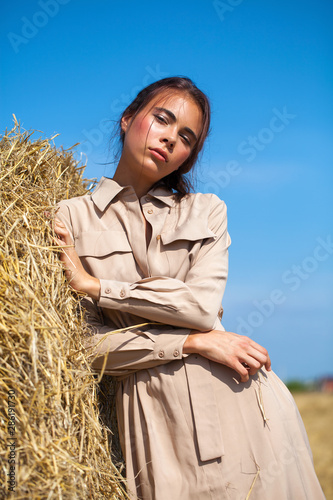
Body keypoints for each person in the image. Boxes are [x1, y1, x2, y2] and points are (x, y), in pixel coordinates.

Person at [54, 77, 325, 500]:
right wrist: (193, 344)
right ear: (127, 119)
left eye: (186, 138)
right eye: (162, 119)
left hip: (241, 397)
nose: (169, 139)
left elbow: (200, 307)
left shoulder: (207, 210)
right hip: (153, 426)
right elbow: (81, 346)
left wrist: (96, 285)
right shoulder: (69, 218)